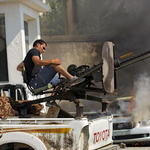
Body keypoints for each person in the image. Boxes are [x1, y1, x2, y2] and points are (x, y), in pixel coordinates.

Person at [17, 39, 84, 90]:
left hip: (36, 81)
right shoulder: (34, 51)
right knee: (54, 65)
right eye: (43, 48)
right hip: (36, 80)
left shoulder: (29, 58)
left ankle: (51, 101)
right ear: (37, 45)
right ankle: (73, 79)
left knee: (62, 80)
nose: (43, 51)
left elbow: (19, 67)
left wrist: (26, 71)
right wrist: (52, 61)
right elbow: (37, 62)